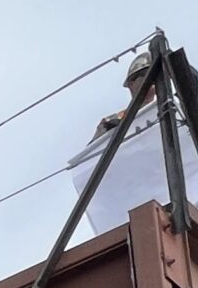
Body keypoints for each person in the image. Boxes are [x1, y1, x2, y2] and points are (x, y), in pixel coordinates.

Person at [68, 49, 198, 238]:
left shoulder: (184, 107)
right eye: (137, 78)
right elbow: (91, 161)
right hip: (139, 205)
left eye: (146, 75)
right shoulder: (114, 124)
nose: (143, 83)